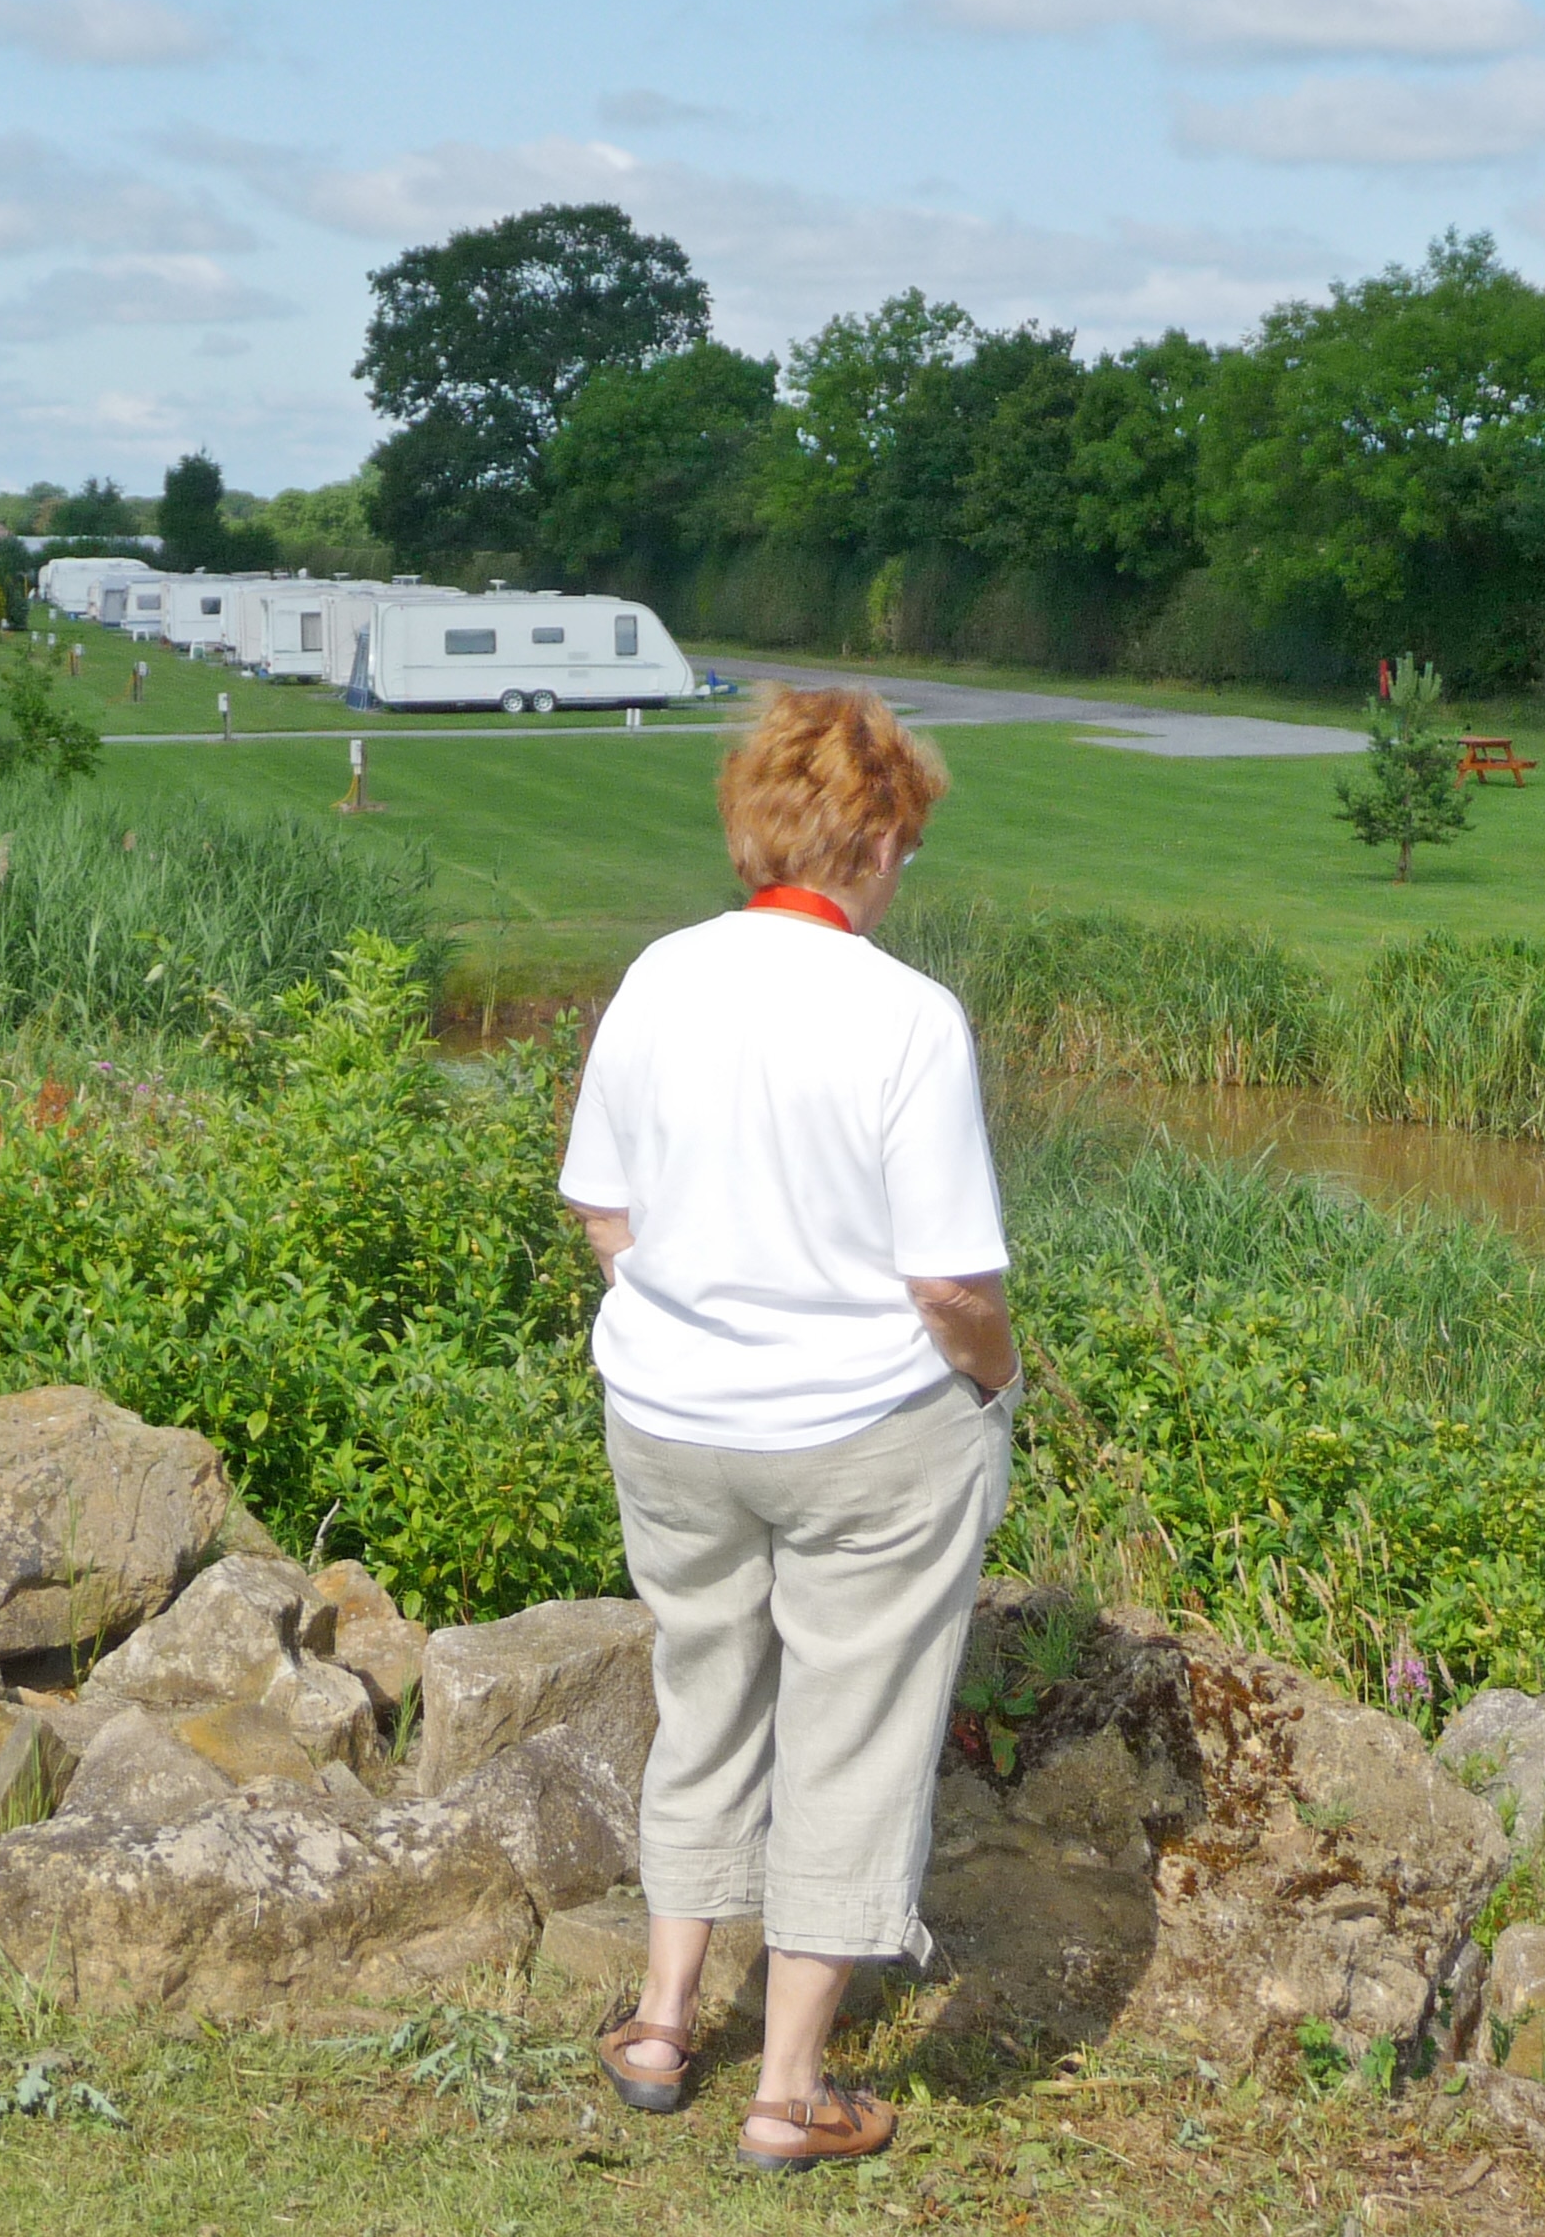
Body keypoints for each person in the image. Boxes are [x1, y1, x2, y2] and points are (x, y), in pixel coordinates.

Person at [560, 685, 1018, 2176]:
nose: (905, 867)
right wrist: (998, 1382)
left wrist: (702, 1319)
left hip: (673, 1422)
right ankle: (790, 2091)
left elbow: (600, 1207)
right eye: (907, 842)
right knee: (854, 1731)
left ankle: (657, 2019)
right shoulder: (904, 1016)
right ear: (876, 840)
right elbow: (951, 1281)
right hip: (862, 1433)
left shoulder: (659, 977)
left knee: (706, 1694)